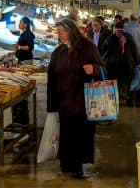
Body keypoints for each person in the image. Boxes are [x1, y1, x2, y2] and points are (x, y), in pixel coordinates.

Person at [47, 18, 104, 179]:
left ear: (71, 31)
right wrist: (52, 105)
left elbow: (103, 69)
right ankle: (66, 164)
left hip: (84, 101)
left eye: (61, 32)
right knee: (65, 135)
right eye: (57, 33)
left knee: (81, 135)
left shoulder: (88, 48)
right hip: (64, 102)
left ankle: (78, 166)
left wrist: (94, 69)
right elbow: (51, 78)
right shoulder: (58, 52)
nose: (59, 36)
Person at [101, 21, 139, 106]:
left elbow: (103, 48)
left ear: (114, 28)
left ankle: (114, 102)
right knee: (128, 83)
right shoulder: (129, 37)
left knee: (114, 84)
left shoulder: (111, 37)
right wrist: (137, 64)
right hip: (127, 65)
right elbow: (134, 51)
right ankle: (129, 101)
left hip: (113, 66)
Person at [12, 17, 35, 124]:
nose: (19, 24)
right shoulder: (23, 34)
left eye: (20, 22)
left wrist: (19, 47)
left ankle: (24, 104)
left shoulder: (28, 34)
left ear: (25, 24)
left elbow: (30, 47)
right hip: (22, 60)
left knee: (24, 81)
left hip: (26, 61)